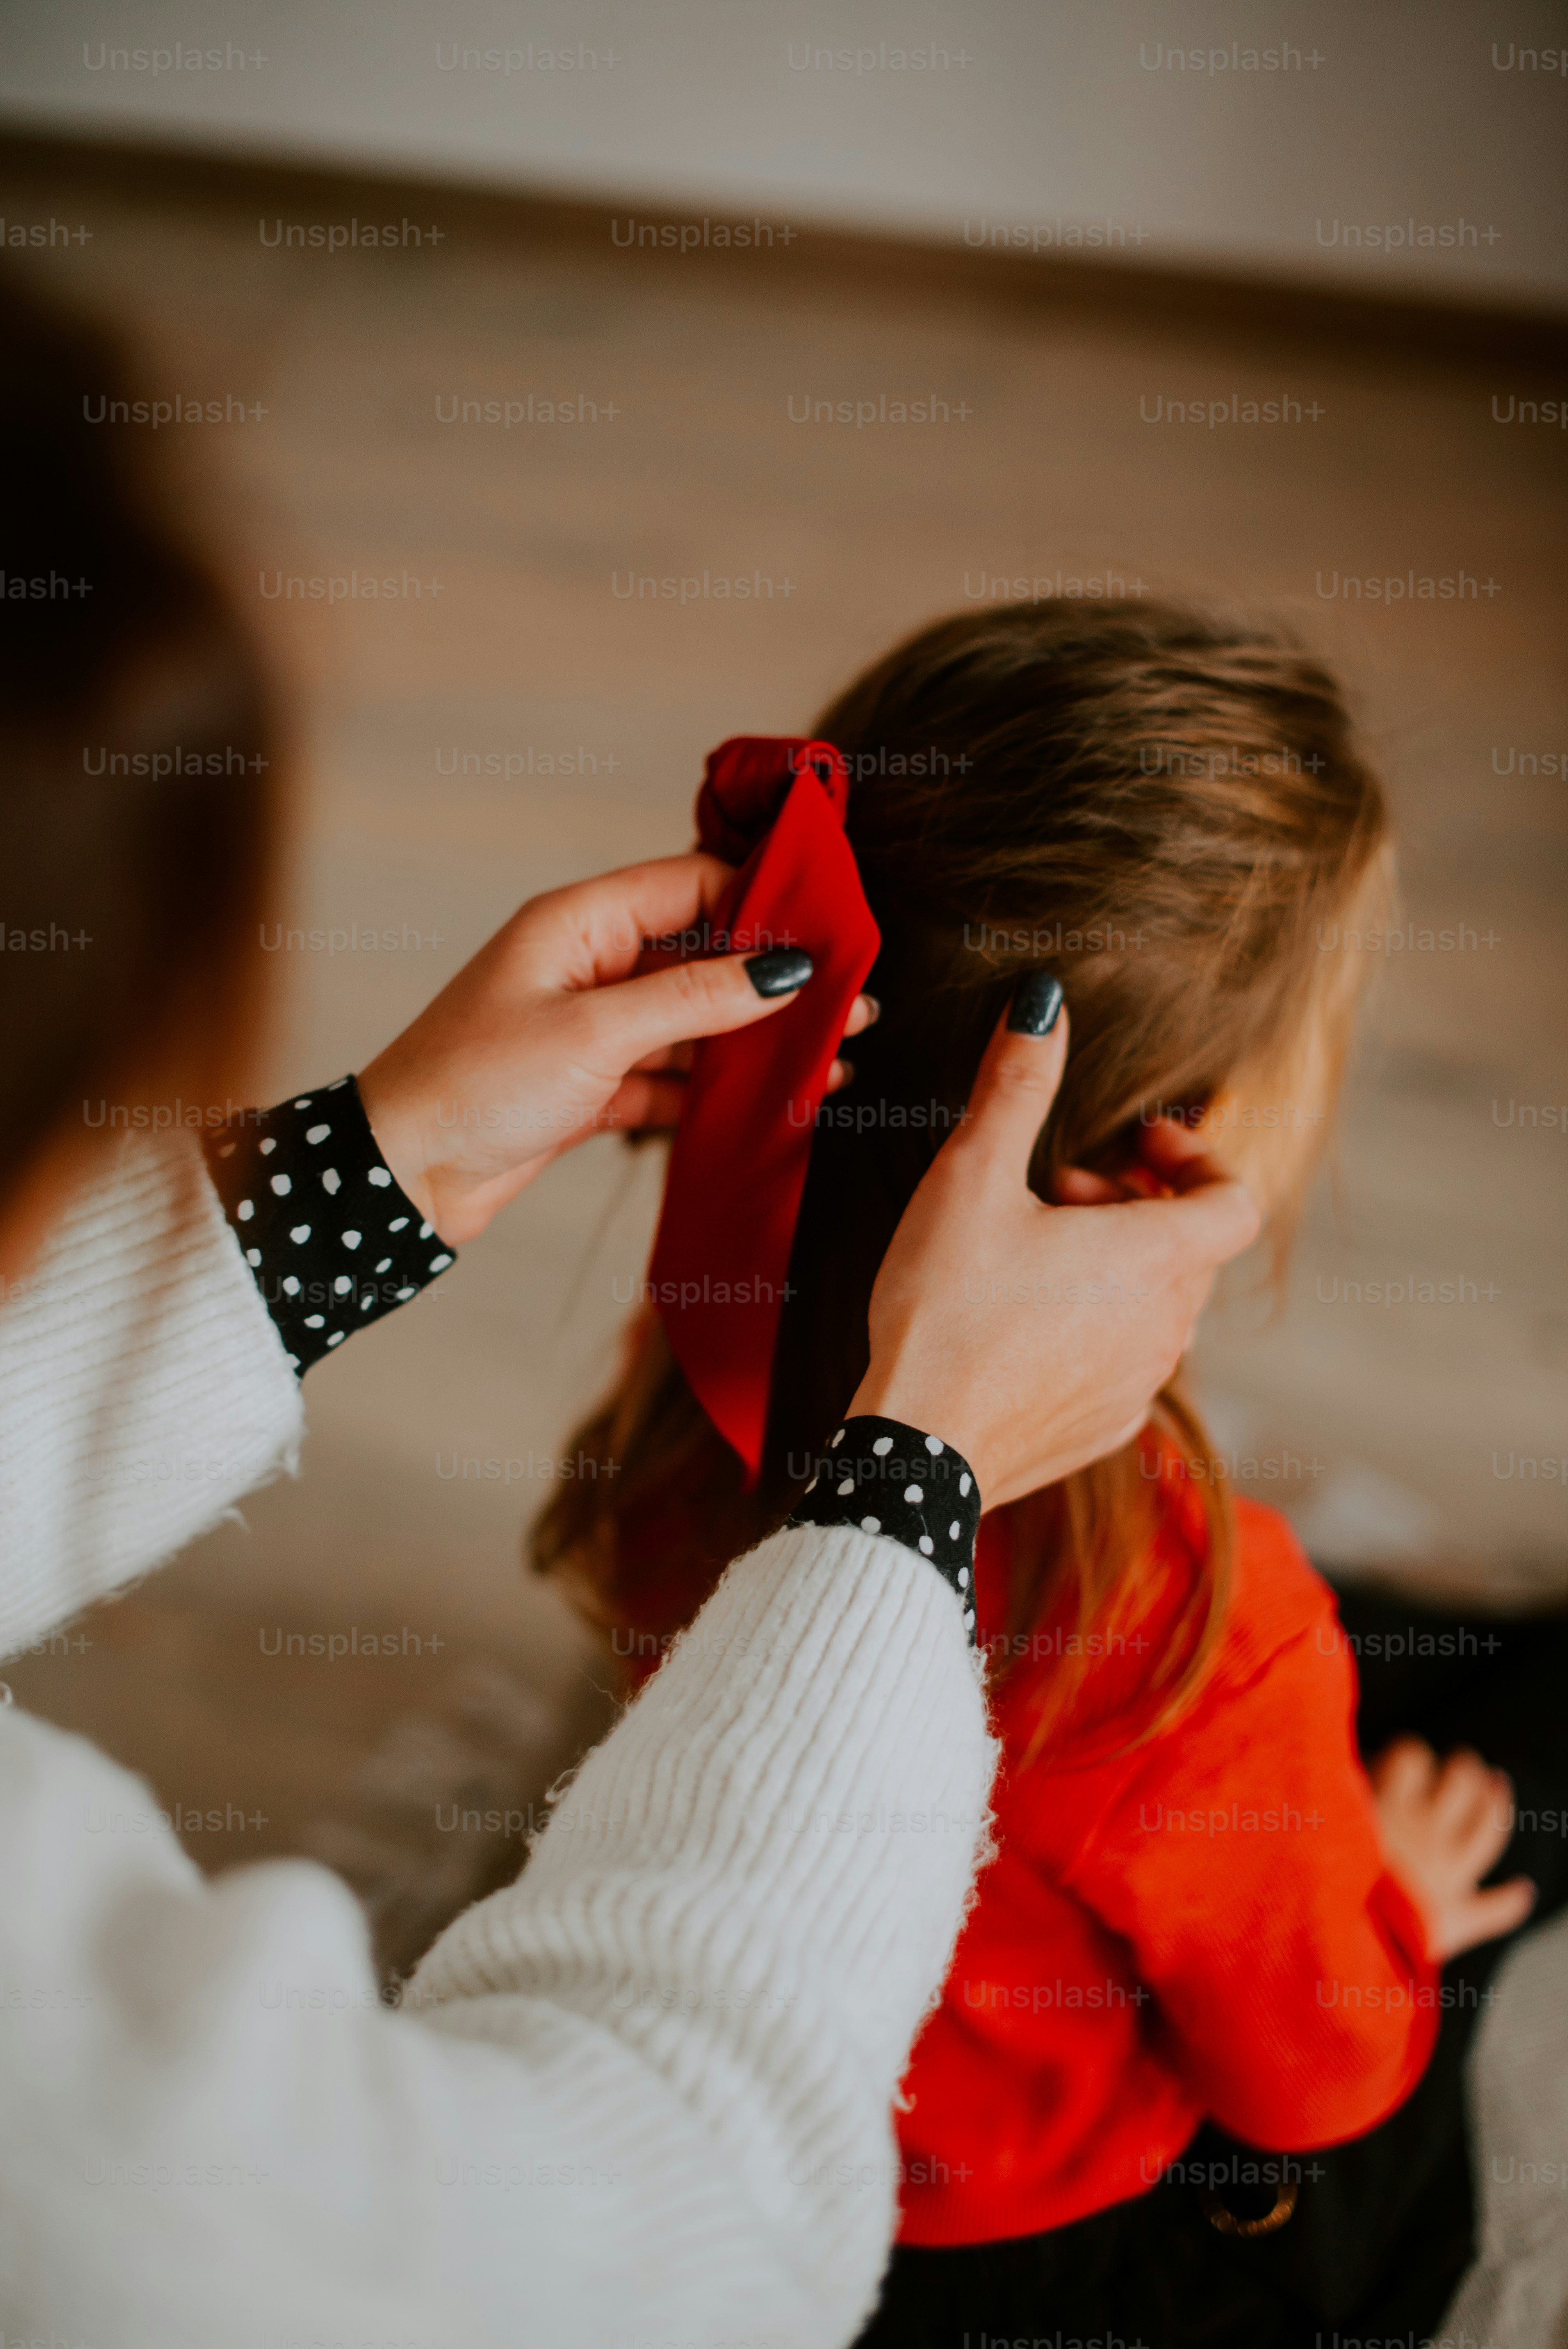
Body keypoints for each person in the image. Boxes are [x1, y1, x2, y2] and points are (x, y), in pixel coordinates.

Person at [0, 282, 1261, 2348]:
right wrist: (908, 1488)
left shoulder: (668, 1449)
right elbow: (656, 2229)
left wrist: (361, 1175)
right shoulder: (69, 2151)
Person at [538, 601, 1568, 2344]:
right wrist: (1381, 1896)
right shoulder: (1191, 1611)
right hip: (1079, 2250)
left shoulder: (707, 1333)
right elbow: (1313, 2076)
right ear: (1195, 1115)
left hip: (798, 2142)